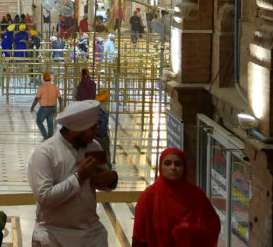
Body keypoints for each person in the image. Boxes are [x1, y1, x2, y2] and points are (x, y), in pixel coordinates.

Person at [28, 100, 119, 247]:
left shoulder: (93, 146)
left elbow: (103, 180)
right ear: (76, 129)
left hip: (89, 234)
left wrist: (111, 179)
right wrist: (78, 177)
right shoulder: (45, 153)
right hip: (53, 234)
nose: (95, 132)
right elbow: (44, 197)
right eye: (92, 128)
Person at [132, 147, 220, 247]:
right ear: (161, 166)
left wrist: (187, 231)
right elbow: (138, 236)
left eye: (177, 164)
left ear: (184, 168)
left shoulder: (196, 195)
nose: (173, 168)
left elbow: (212, 225)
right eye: (167, 163)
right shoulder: (149, 197)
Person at [31, 72, 62, 140]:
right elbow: (59, 97)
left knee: (39, 121)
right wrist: (61, 107)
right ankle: (50, 138)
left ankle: (45, 136)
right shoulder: (55, 87)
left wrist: (32, 107)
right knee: (50, 123)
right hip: (52, 108)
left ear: (43, 79)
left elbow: (37, 98)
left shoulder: (41, 87)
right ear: (50, 79)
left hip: (44, 108)